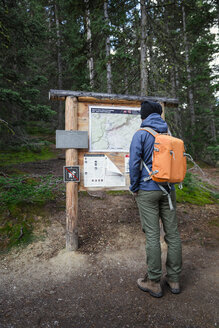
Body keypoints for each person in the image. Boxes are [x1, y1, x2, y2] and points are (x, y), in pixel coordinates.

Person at [129, 100, 182, 298]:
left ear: (144, 116)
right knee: (173, 234)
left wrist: (134, 187)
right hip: (168, 190)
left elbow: (134, 164)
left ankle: (153, 281)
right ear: (159, 115)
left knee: (152, 235)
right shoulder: (168, 135)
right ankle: (174, 279)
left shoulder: (141, 134)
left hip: (147, 190)